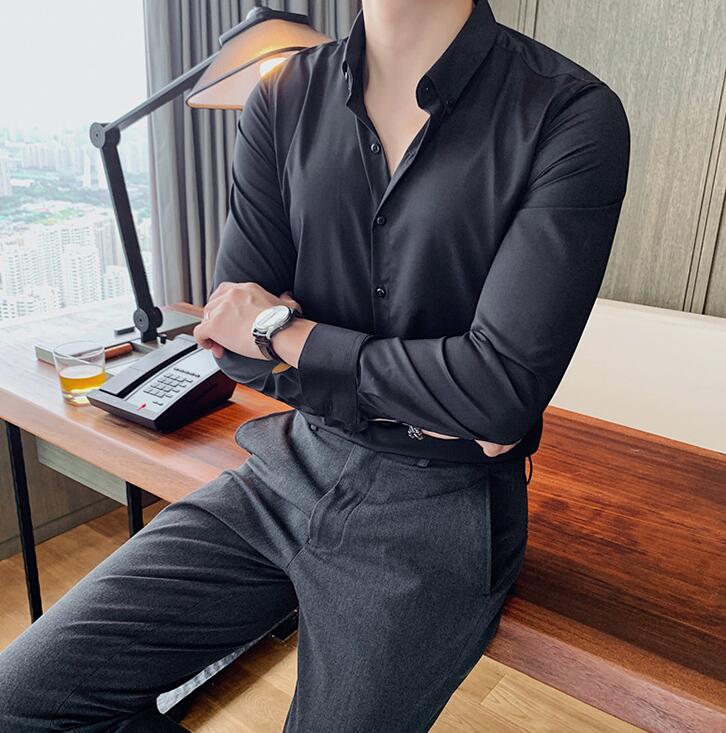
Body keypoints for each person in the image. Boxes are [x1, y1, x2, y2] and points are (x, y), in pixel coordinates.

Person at [0, 0, 629, 730]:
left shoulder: (569, 112)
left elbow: (496, 393)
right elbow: (230, 342)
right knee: (21, 703)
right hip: (288, 467)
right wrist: (439, 390)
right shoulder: (282, 95)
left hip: (441, 507)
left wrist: (284, 333)